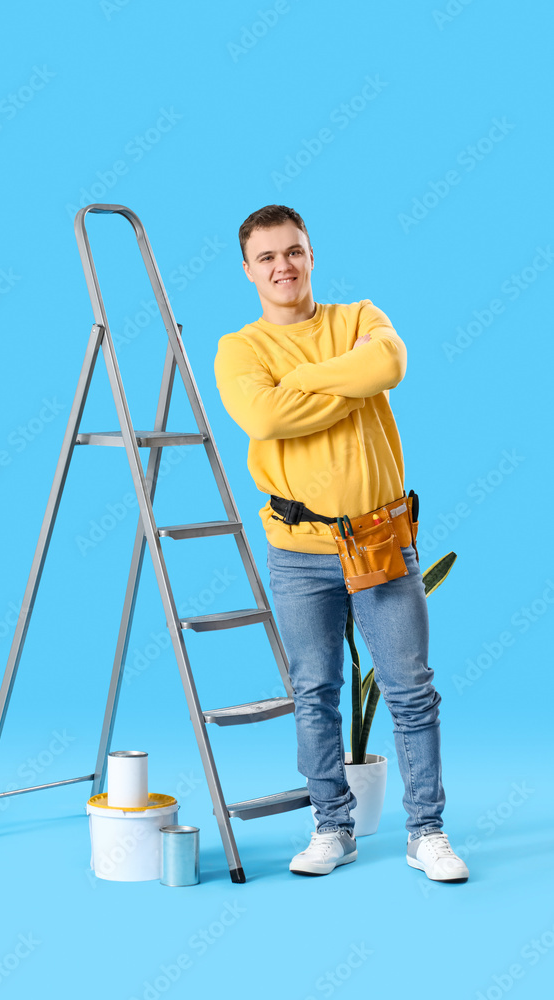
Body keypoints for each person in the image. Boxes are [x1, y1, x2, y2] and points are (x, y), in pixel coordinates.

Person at [213, 204, 469, 882]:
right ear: (248, 270)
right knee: (313, 692)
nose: (282, 266)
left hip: (379, 538)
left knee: (410, 689)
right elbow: (262, 413)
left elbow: (386, 366)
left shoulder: (358, 317)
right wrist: (340, 381)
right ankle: (332, 828)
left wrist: (299, 383)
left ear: (311, 254)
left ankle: (427, 832)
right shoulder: (239, 348)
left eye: (292, 251)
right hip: (297, 550)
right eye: (266, 257)